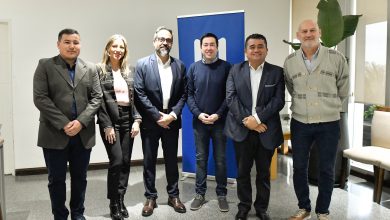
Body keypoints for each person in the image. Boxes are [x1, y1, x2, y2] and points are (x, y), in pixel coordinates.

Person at [33, 28, 102, 220]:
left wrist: (81, 122)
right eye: (67, 42)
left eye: (76, 42)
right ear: (58, 44)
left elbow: (97, 98)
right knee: (56, 180)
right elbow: (40, 98)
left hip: (83, 135)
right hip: (54, 134)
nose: (72, 46)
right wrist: (64, 123)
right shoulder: (45, 65)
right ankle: (60, 216)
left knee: (80, 179)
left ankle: (78, 214)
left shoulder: (90, 68)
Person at [284, 20, 349, 220]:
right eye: (304, 31)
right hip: (300, 122)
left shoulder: (336, 58)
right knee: (299, 167)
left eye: (312, 30)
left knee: (326, 168)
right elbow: (291, 88)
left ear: (319, 32)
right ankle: (304, 207)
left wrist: (326, 106)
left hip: (329, 123)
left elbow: (343, 89)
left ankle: (323, 210)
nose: (308, 34)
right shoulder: (290, 61)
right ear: (298, 35)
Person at [225, 33, 285, 220]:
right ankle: (243, 206)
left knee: (263, 173)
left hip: (266, 129)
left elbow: (278, 101)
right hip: (242, 130)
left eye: (260, 46)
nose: (256, 50)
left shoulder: (276, 72)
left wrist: (257, 119)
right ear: (246, 51)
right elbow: (231, 98)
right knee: (242, 172)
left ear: (267, 50)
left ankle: (261, 208)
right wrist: (248, 121)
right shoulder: (235, 70)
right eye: (252, 47)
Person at [134, 26, 187, 217]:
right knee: (149, 161)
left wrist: (172, 115)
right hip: (151, 122)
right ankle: (150, 197)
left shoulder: (179, 65)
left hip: (171, 121)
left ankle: (173, 196)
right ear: (154, 41)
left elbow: (184, 94)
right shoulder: (142, 64)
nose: (165, 42)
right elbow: (139, 93)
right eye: (162, 39)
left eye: (169, 40)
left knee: (172, 160)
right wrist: (157, 116)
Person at [96, 34, 142, 220]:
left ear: (125, 50)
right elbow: (98, 101)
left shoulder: (129, 71)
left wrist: (137, 120)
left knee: (125, 162)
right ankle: (113, 202)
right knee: (116, 161)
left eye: (121, 47)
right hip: (111, 121)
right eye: (114, 46)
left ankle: (121, 199)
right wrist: (106, 125)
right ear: (108, 49)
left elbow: (135, 98)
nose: (118, 50)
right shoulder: (99, 71)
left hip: (127, 120)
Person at [186, 32, 231, 212]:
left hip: (220, 123)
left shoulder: (227, 67)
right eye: (206, 45)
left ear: (217, 47)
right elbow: (188, 95)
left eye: (212, 44)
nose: (209, 48)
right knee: (201, 160)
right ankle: (199, 194)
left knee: (220, 160)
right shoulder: (193, 68)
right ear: (201, 47)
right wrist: (198, 114)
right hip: (200, 124)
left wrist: (218, 114)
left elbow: (229, 95)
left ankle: (221, 195)